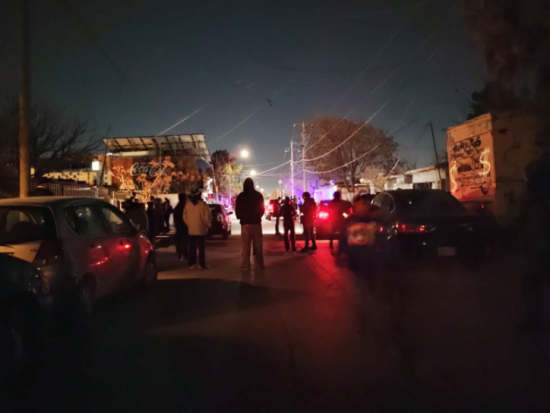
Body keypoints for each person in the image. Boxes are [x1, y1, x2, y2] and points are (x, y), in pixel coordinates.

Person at [516, 155, 550, 331]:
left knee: (532, 283)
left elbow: (515, 218)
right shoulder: (533, 197)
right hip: (538, 244)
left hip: (538, 245)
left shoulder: (530, 197)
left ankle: (533, 321)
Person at [236, 177, 265, 270]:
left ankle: (246, 264)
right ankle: (260, 264)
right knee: (258, 245)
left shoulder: (241, 196)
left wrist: (240, 217)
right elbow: (262, 209)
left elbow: (237, 209)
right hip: (256, 223)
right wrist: (259, 216)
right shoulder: (258, 195)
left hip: (245, 224)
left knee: (245, 245)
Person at [183, 188, 212, 270]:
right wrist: (207, 225)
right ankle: (201, 264)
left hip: (191, 230)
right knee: (201, 248)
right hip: (201, 229)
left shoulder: (188, 205)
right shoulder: (203, 204)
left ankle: (192, 264)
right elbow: (207, 217)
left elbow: (184, 216)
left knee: (192, 248)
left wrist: (189, 224)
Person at [173, 193, 189, 261]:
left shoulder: (177, 207)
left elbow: (175, 217)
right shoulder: (186, 206)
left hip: (179, 226)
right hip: (185, 226)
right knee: (185, 240)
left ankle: (180, 254)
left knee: (179, 240)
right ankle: (185, 254)